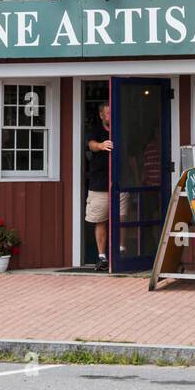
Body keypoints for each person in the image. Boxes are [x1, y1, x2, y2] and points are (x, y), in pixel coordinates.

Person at [85, 102, 113, 270]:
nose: (111, 116)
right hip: (99, 184)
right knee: (100, 220)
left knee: (123, 217)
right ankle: (102, 257)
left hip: (121, 182)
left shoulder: (121, 128)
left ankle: (122, 251)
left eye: (113, 112)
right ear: (102, 115)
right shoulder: (96, 130)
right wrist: (101, 145)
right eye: (108, 113)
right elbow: (90, 145)